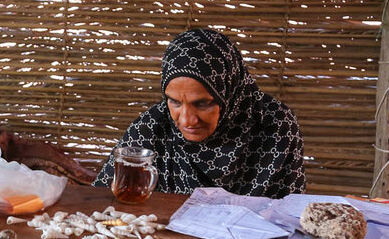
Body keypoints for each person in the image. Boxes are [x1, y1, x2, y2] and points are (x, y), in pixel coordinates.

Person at [95, 28, 306, 197]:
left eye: (203, 103)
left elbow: (292, 215)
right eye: (175, 102)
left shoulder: (276, 126)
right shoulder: (150, 129)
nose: (187, 120)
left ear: (230, 93)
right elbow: (103, 201)